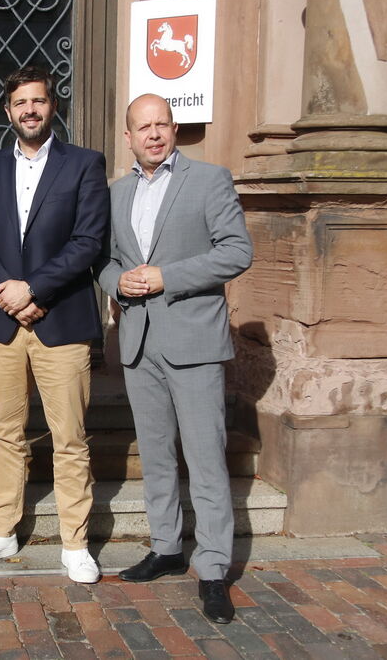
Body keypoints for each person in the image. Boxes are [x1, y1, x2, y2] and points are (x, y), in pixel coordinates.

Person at [95, 93, 253, 624]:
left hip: (194, 343)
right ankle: (166, 548)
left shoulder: (209, 180)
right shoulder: (116, 193)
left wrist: (168, 278)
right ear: (128, 136)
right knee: (157, 456)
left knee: (206, 458)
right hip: (139, 341)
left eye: (162, 124)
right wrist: (119, 282)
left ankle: (212, 569)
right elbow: (106, 260)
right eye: (143, 127)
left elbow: (236, 251)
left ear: (175, 127)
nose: (154, 134)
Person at [0, 66, 110, 584]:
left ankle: (75, 542)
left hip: (61, 319)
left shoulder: (84, 164)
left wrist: (35, 289)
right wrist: (9, 290)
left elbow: (89, 241)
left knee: (69, 435)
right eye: (21, 102)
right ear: (8, 111)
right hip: (4, 321)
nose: (30, 110)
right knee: (4, 429)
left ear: (53, 107)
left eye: (39, 101)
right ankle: (0, 531)